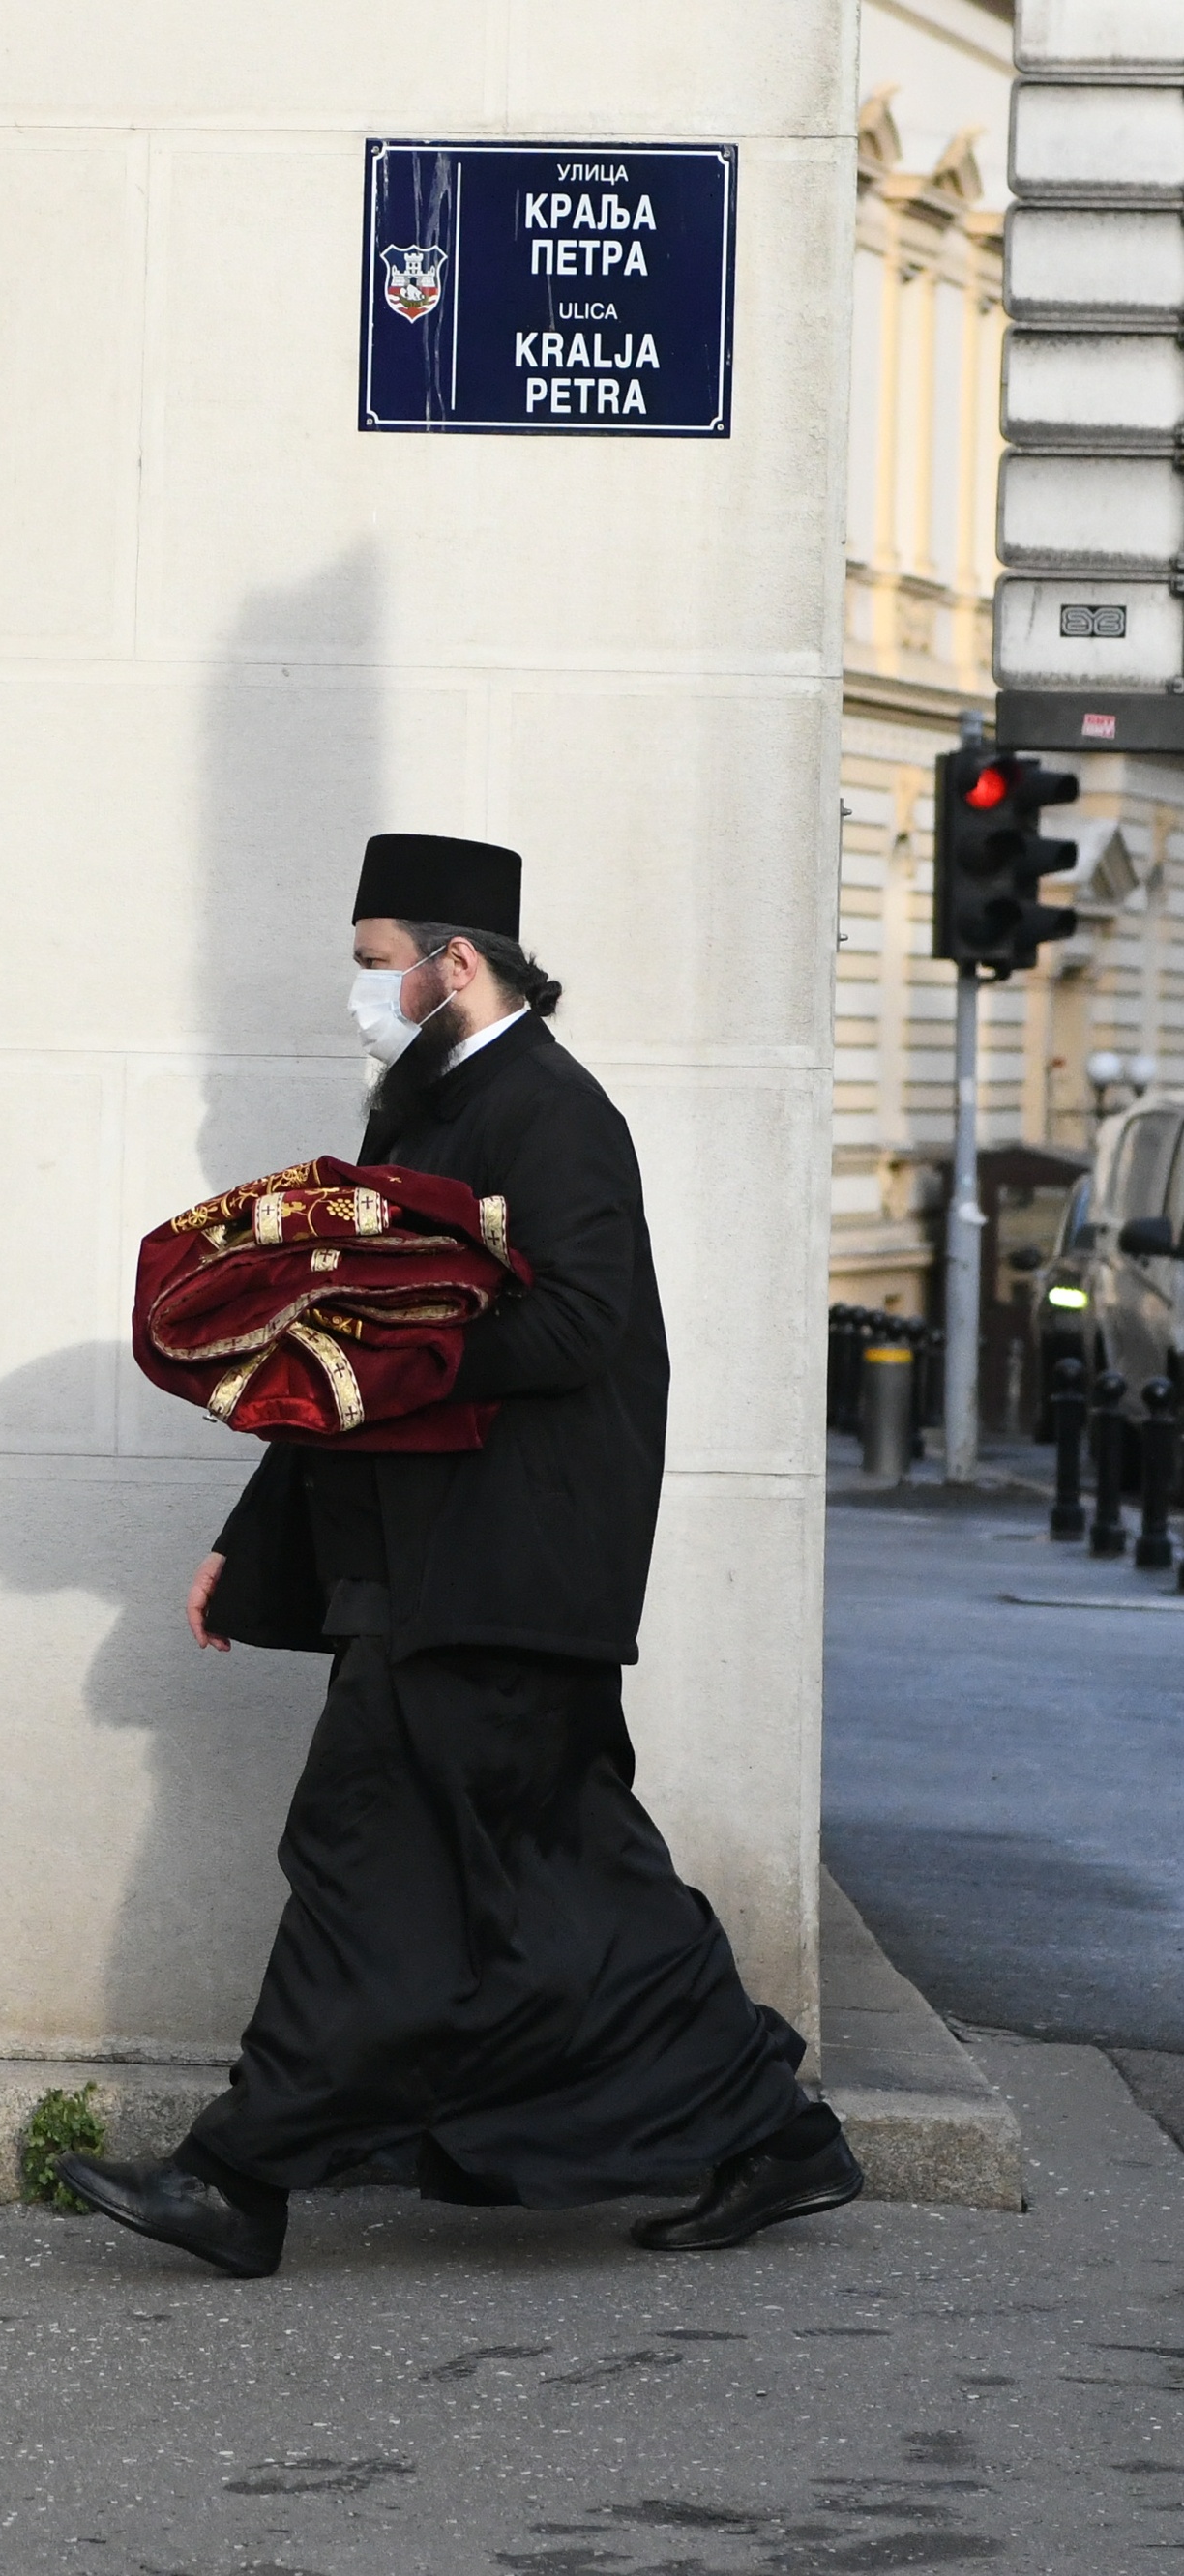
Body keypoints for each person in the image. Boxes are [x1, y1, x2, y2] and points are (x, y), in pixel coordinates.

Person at [55, 833, 863, 2276]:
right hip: (434, 1569)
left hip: (504, 1572)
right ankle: (775, 2134)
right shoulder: (421, 1111)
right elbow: (335, 1361)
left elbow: (579, 1326)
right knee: (554, 1879)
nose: (363, 994)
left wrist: (413, 1349)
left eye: (378, 965)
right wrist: (248, 1545)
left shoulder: (551, 1112)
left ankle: (239, 2180)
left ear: (457, 961)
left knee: (369, 1854)